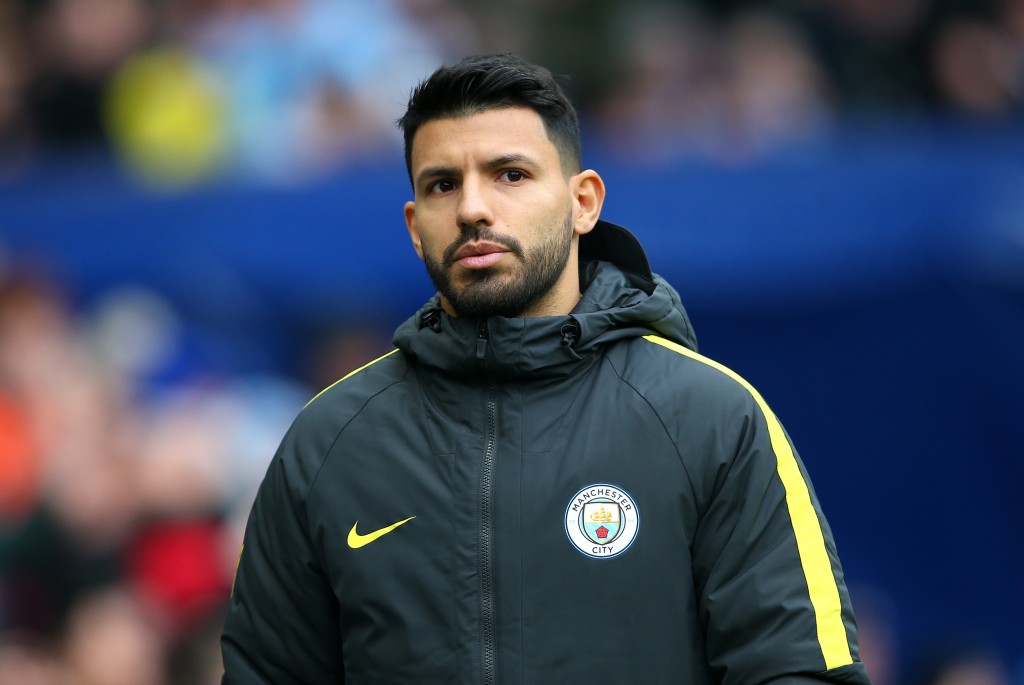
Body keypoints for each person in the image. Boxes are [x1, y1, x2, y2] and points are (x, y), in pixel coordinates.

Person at [220, 53, 872, 684]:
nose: (474, 207)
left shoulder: (713, 419)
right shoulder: (329, 442)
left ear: (583, 202)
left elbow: (800, 669)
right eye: (443, 183)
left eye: (510, 174)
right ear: (416, 225)